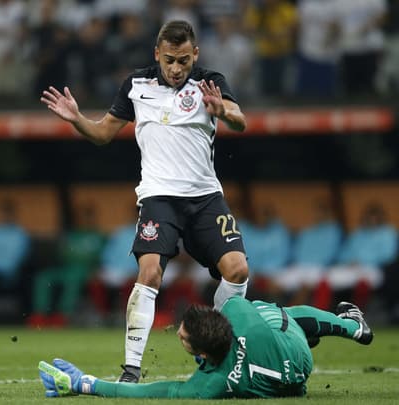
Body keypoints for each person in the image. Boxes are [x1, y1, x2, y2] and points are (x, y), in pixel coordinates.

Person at [41, 19, 249, 383]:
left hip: (205, 198)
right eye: (169, 59)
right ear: (157, 53)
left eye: (184, 60)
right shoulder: (136, 85)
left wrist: (224, 112)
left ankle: (220, 354)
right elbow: (104, 133)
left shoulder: (209, 82)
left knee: (238, 270)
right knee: (150, 271)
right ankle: (132, 368)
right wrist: (76, 118)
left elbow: (240, 121)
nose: (176, 68)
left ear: (195, 54)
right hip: (158, 198)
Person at [39, 297, 373, 399]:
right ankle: (353, 327)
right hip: (296, 352)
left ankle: (352, 326)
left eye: (183, 337)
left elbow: (158, 392)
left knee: (274, 315)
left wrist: (86, 384)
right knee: (275, 312)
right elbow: (242, 306)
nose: (178, 335)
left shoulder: (213, 383)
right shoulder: (238, 312)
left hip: (297, 380)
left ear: (203, 353)